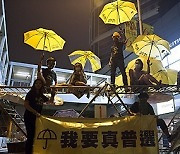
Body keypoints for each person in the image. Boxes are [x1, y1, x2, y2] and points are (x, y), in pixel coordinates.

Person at [24, 79, 55, 154]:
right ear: (34, 84)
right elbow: (26, 105)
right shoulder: (30, 93)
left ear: (41, 85)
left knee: (35, 135)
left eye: (40, 83)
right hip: (29, 116)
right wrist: (35, 112)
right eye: (36, 83)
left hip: (37, 118)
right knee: (30, 136)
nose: (38, 84)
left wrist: (53, 95)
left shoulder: (41, 95)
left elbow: (50, 102)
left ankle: (33, 151)